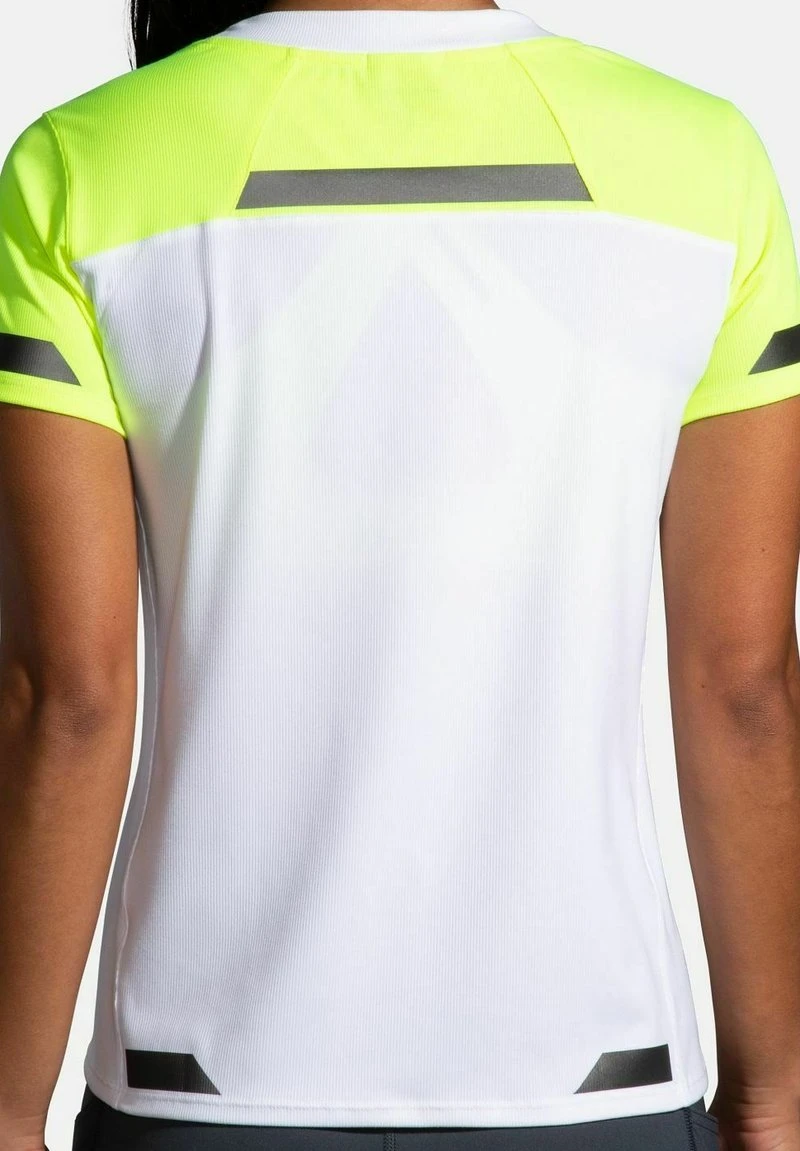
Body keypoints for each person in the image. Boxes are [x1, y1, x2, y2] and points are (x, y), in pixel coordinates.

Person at [1, 0, 799, 1148]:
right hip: (596, 1072)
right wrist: (770, 1097)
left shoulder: (81, 165)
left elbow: (65, 697)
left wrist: (8, 1104)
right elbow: (742, 686)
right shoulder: (702, 161)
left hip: (204, 1081)